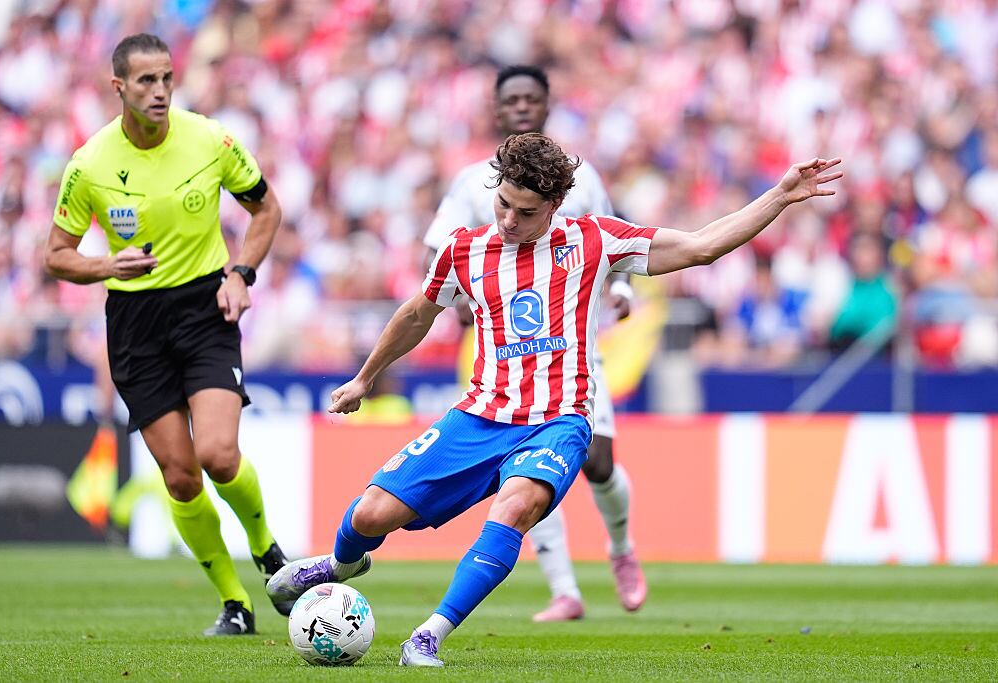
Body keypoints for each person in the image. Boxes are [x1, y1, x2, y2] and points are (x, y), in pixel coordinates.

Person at [268, 132, 842, 666]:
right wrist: (366, 377)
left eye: (527, 212)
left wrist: (782, 196)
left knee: (514, 508)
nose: (510, 220)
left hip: (558, 421)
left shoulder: (594, 240)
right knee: (370, 514)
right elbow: (418, 313)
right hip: (478, 415)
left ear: (555, 205)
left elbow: (700, 247)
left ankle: (428, 636)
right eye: (503, 205)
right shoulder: (463, 251)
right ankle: (341, 564)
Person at [44, 33, 290, 636]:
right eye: (146, 82)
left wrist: (241, 273)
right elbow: (57, 254)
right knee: (179, 475)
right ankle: (235, 603)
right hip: (135, 323)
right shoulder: (91, 164)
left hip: (205, 309)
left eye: (167, 79)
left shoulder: (210, 139)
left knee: (217, 454)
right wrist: (106, 265)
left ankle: (268, 553)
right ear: (119, 88)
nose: (159, 91)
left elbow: (266, 210)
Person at [422, 65, 645, 622]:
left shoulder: (582, 179)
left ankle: (620, 547)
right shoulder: (473, 181)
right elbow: (438, 250)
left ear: (547, 106)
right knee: (525, 465)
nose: (521, 107)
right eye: (511, 100)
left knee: (596, 462)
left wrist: (619, 289)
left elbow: (619, 241)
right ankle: (564, 588)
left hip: (573, 346)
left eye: (531, 98)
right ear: (498, 112)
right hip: (502, 350)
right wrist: (466, 297)